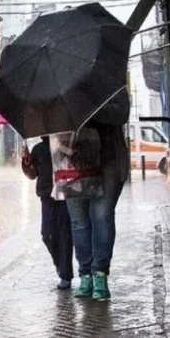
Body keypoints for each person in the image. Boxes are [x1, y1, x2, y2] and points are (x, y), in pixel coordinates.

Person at [65, 90, 130, 300]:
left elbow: (121, 113)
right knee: (79, 221)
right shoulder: (60, 86)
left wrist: (90, 109)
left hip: (108, 160)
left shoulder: (110, 81)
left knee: (101, 215)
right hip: (73, 160)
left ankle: (99, 273)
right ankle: (85, 275)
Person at [22, 137, 74, 290]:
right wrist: (26, 160)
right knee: (47, 235)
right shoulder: (39, 149)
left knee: (65, 235)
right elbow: (32, 174)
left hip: (65, 196)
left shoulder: (66, 145)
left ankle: (65, 275)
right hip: (47, 197)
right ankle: (59, 263)